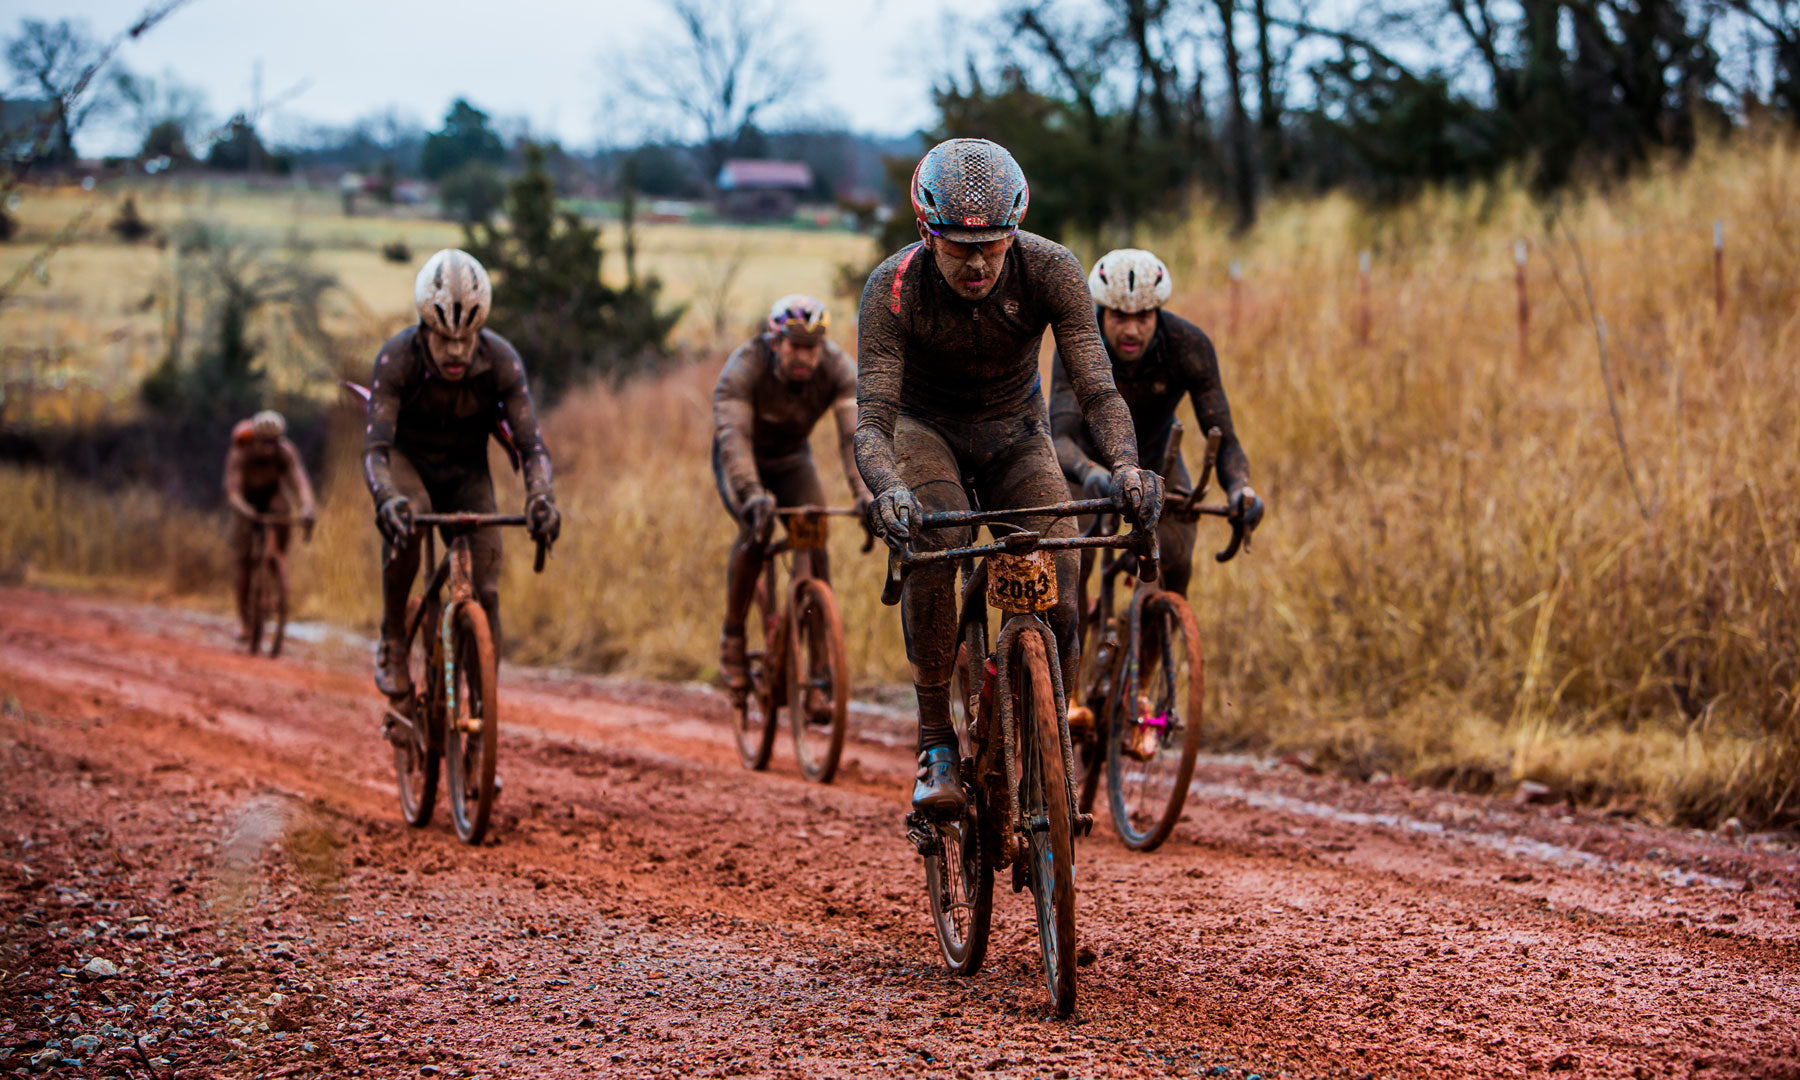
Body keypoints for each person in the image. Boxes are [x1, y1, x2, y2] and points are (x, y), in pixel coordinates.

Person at [855, 138, 1163, 816]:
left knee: (1063, 564)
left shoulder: (1051, 269)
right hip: (922, 432)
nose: (977, 261)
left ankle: (1053, 727)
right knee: (931, 550)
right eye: (960, 246)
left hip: (1015, 434)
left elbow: (1097, 389)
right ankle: (936, 741)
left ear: (1015, 231)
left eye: (994, 244)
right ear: (924, 232)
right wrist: (890, 491)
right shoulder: (892, 288)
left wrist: (1126, 466)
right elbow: (872, 424)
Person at [362, 248, 560, 704]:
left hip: (467, 471)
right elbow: (375, 450)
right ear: (424, 328)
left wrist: (541, 496)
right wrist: (386, 498)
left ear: (481, 329)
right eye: (443, 337)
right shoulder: (397, 359)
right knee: (412, 517)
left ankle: (478, 713)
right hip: (407, 463)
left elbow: (532, 447)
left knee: (486, 591)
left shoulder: (502, 360)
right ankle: (393, 637)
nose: (455, 351)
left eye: (467, 337)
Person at [1049, 248, 1262, 599]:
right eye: (1119, 316)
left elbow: (1223, 436)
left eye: (1144, 316)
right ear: (1101, 312)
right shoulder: (1077, 345)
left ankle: (1152, 640)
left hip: (1157, 460)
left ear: (1158, 312)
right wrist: (1088, 472)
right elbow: (1061, 436)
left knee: (1174, 561)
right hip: (1086, 464)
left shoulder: (1188, 345)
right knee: (1070, 568)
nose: (1132, 329)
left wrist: (1240, 489)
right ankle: (1073, 652)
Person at [713, 294, 872, 692]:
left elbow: (854, 437)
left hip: (790, 460)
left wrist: (866, 494)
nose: (804, 356)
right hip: (742, 459)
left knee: (815, 536)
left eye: (812, 348)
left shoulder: (838, 369)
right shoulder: (744, 367)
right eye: (795, 347)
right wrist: (751, 492)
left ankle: (820, 672)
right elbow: (734, 438)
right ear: (775, 342)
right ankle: (732, 638)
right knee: (756, 532)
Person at [224, 409, 316, 640]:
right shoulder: (241, 450)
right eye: (264, 442)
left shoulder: (285, 452)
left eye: (273, 442)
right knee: (243, 559)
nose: (268, 447)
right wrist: (244, 509)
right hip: (246, 501)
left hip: (273, 497)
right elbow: (233, 490)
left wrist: (307, 507)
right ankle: (243, 619)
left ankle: (274, 569)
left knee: (281, 512)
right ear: (255, 439)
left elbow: (300, 481)